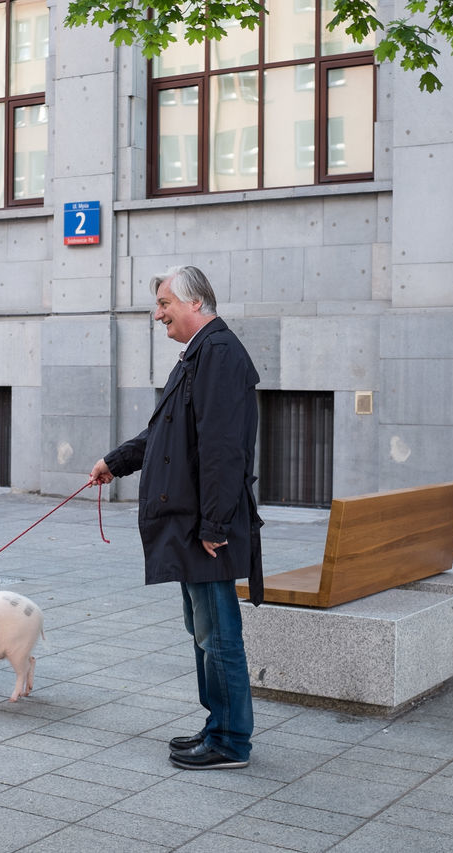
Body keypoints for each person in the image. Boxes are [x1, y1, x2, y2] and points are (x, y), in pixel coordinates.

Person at [89, 265, 263, 771]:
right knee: (203, 630)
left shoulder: (221, 355)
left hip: (206, 529)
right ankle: (217, 726)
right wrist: (115, 462)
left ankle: (232, 740)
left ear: (194, 303)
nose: (157, 313)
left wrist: (213, 525)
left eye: (164, 303)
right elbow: (165, 434)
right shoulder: (200, 355)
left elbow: (223, 450)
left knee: (218, 633)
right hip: (193, 524)